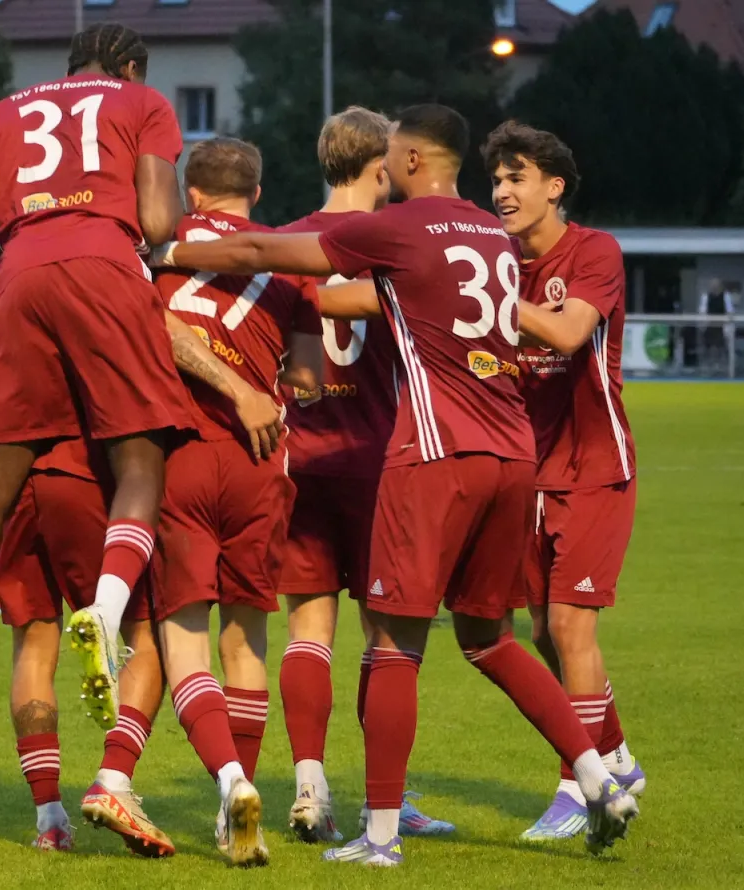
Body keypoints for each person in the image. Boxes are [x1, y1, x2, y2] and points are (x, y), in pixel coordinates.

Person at [153, 104, 640, 866]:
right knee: (490, 638)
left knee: (388, 645)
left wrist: (165, 249)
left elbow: (254, 249)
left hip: (431, 457)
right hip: (515, 453)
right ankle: (599, 776)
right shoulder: (495, 237)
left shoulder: (398, 229)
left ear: (408, 161)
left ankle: (379, 834)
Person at [0, 21, 284, 737]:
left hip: (18, 278)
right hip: (106, 271)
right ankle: (105, 616)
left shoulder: (0, 112)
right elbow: (153, 217)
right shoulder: (142, 105)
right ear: (132, 68)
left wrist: (9, 242)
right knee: (141, 459)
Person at [0, 253, 282, 856]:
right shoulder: (101, 266)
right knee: (149, 641)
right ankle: (119, 776)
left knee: (34, 646)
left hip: (5, 480)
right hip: (81, 471)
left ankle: (49, 820)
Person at [79, 138, 321, 868]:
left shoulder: (158, 247)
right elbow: (307, 377)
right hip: (261, 461)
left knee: (181, 639)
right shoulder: (284, 262)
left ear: (190, 194)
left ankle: (234, 782)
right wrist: (264, 380)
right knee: (247, 637)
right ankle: (235, 814)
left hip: (181, 459)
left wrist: (223, 383)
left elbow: (155, 325)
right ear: (256, 188)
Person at [269, 107, 454, 844]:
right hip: (383, 462)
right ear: (383, 166)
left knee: (308, 627)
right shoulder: (401, 243)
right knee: (390, 641)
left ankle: (310, 784)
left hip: (303, 458)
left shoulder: (283, 242)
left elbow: (288, 358)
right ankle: (391, 798)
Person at [482, 121, 648, 840]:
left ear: (554, 186)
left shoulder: (595, 252)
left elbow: (571, 333)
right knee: (546, 635)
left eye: (516, 177)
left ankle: (578, 788)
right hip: (528, 469)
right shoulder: (496, 262)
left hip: (594, 466)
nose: (502, 192)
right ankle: (615, 757)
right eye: (495, 180)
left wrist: (482, 300)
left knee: (569, 625)